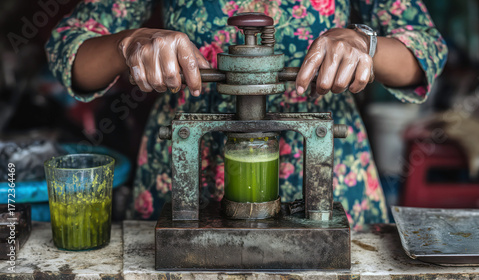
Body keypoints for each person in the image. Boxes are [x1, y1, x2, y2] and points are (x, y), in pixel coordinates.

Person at [46, 0, 447, 230]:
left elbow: (425, 49)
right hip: (186, 174)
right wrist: (128, 43)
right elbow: (69, 50)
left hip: (327, 180)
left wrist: (364, 44)